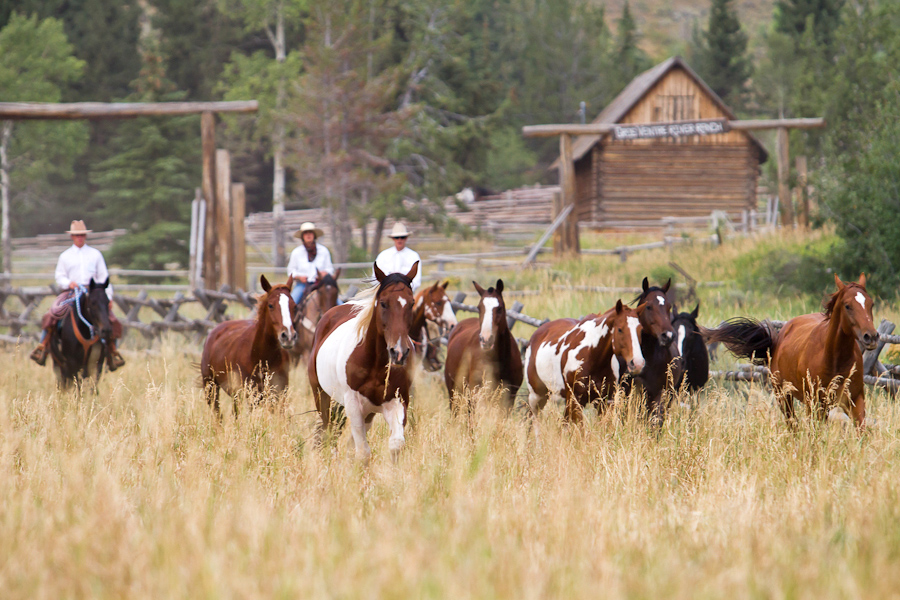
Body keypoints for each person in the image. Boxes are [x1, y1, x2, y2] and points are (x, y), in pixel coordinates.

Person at [29, 220, 126, 370]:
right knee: (52, 314)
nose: (80, 238)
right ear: (72, 237)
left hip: (93, 293)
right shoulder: (65, 256)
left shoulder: (95, 255)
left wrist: (108, 297)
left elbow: (104, 278)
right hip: (71, 292)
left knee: (112, 321)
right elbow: (59, 277)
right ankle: (43, 346)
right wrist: (69, 283)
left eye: (82, 235)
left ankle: (112, 351)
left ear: (85, 236)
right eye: (77, 235)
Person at [287, 222, 336, 303]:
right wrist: (299, 277)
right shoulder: (296, 252)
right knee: (292, 303)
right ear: (302, 236)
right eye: (305, 233)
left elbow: (330, 269)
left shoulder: (323, 251)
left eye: (310, 232)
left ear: (314, 235)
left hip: (321, 284)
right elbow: (291, 271)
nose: (308, 235)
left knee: (336, 302)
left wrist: (325, 273)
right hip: (303, 285)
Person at [375, 222, 422, 291]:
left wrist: (403, 289)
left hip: (406, 293)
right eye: (397, 237)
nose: (399, 240)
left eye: (402, 237)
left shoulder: (413, 256)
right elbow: (376, 277)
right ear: (393, 239)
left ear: (406, 238)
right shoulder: (383, 256)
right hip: (386, 293)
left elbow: (416, 280)